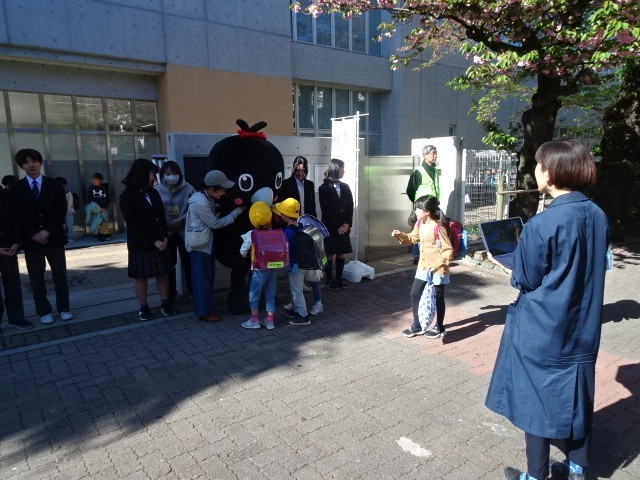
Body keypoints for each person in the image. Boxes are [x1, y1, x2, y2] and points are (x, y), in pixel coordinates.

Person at [485, 140, 609, 480]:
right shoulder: (598, 215)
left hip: (542, 327)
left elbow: (525, 279)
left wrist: (510, 263)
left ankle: (536, 475)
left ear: (550, 173)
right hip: (583, 323)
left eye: (539, 165)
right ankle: (577, 467)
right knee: (578, 391)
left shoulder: (541, 224)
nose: (536, 171)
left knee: (535, 399)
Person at [13, 148, 72, 325]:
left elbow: (60, 210)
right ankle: (44, 311)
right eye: (26, 162)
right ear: (21, 166)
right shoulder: (17, 188)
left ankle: (64, 308)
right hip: (32, 242)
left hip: (54, 238)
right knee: (36, 278)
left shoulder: (54, 185)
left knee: (60, 275)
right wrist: (33, 233)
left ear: (40, 162)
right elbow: (18, 215)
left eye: (34, 161)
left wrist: (48, 231)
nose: (31, 165)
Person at [119, 158, 175, 321]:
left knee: (163, 273)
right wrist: (153, 241)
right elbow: (133, 223)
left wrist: (164, 237)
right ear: (142, 173)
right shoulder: (127, 196)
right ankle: (143, 307)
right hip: (140, 243)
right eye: (152, 173)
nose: (154, 177)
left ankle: (165, 303)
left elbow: (161, 216)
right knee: (140, 277)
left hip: (160, 241)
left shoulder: (153, 192)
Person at [391, 195, 453, 339]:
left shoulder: (439, 227)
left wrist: (436, 265)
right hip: (423, 266)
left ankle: (439, 327)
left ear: (427, 212)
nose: (415, 212)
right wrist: (400, 235)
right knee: (414, 293)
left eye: (418, 209)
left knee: (438, 297)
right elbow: (413, 238)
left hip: (438, 269)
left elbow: (448, 250)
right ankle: (417, 325)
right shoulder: (419, 224)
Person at [186, 170, 242, 322]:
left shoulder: (205, 197)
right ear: (211, 189)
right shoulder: (200, 202)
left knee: (207, 277)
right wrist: (235, 213)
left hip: (205, 244)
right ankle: (204, 312)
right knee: (202, 279)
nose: (224, 192)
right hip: (200, 247)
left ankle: (205, 307)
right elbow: (215, 224)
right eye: (222, 189)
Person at [155, 161, 196, 305]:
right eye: (167, 173)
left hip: (184, 231)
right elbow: (155, 211)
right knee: (169, 265)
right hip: (167, 233)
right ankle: (170, 294)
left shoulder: (188, 188)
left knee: (189, 263)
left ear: (179, 174)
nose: (171, 176)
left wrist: (182, 220)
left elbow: (194, 207)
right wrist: (165, 224)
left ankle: (193, 292)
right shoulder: (157, 190)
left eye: (174, 173)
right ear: (162, 175)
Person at [271, 198, 310, 325]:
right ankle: (296, 311)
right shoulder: (300, 226)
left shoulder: (288, 232)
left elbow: (291, 250)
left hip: (294, 265)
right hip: (301, 263)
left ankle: (303, 316)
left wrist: (293, 264)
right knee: (295, 288)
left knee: (296, 291)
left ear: (284, 215)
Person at [239, 202, 278, 330]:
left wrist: (245, 255)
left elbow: (243, 251)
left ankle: (254, 320)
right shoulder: (273, 233)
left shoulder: (251, 234)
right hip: (272, 268)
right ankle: (270, 321)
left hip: (258, 270)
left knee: (254, 294)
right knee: (270, 294)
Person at [0, 185, 34, 330]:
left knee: (12, 284)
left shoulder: (6, 194)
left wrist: (17, 242)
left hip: (9, 247)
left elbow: (16, 220)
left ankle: (17, 318)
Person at [318, 158, 353, 290]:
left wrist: (347, 224)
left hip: (344, 226)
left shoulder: (345, 186)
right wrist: (337, 226)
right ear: (336, 169)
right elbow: (326, 209)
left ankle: (339, 279)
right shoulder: (323, 188)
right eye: (342, 168)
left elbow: (350, 206)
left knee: (341, 253)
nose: (344, 171)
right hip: (331, 227)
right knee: (330, 253)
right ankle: (329, 280)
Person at [406, 145, 439, 264]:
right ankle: (417, 256)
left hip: (433, 205)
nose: (435, 156)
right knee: (419, 229)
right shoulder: (418, 171)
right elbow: (410, 190)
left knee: (432, 229)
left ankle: (430, 254)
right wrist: (418, 204)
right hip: (422, 207)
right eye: (433, 153)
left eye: (436, 153)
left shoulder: (435, 170)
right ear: (425, 155)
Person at [87, 172, 110, 241]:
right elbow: (89, 199)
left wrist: (105, 207)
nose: (93, 181)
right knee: (95, 222)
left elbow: (107, 198)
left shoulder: (104, 188)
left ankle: (105, 235)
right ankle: (96, 236)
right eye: (93, 179)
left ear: (100, 181)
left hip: (103, 209)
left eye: (95, 179)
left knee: (104, 222)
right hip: (95, 209)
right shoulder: (91, 189)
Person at [55, 177, 75, 243]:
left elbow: (70, 202)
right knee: (58, 226)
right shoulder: (54, 193)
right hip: (57, 212)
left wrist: (65, 210)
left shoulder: (67, 192)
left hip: (68, 211)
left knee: (69, 225)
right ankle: (60, 238)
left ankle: (70, 238)